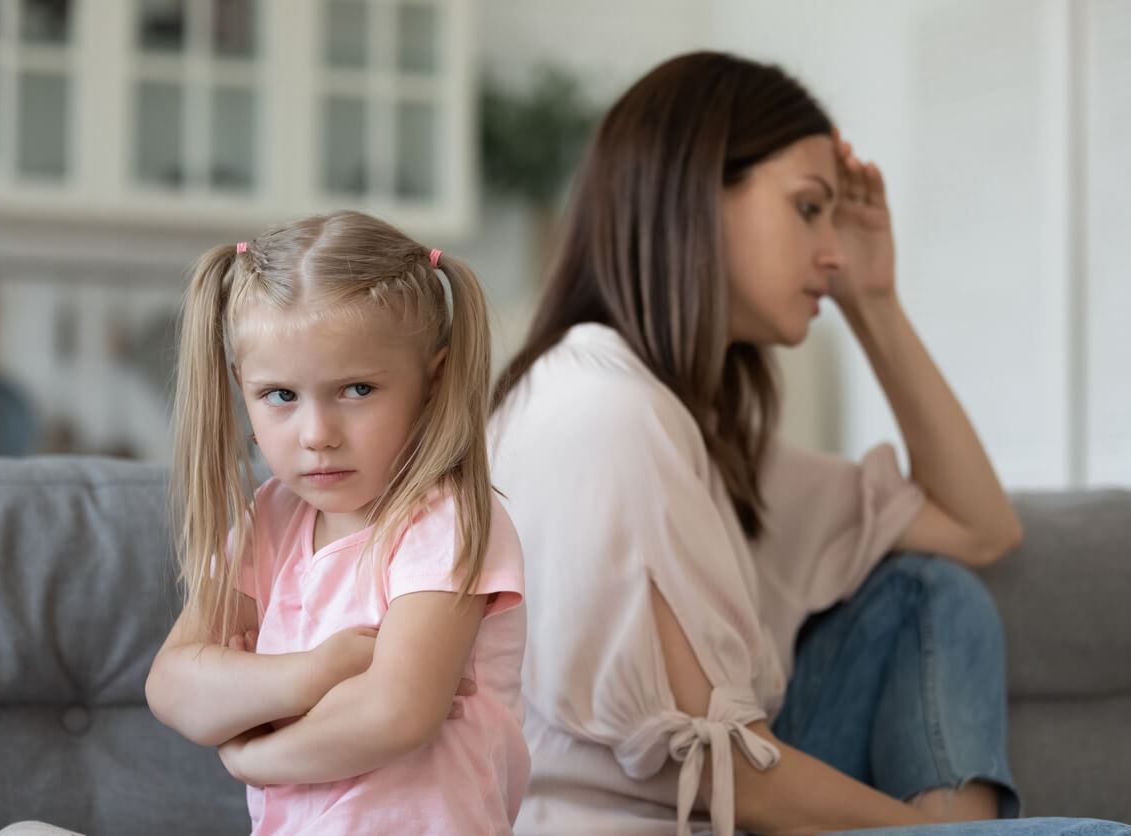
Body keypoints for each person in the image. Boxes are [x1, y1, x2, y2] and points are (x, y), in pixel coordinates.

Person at [488, 52, 1129, 836]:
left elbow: (980, 528)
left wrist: (874, 300)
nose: (832, 250)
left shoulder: (694, 432)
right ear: (696, 193)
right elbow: (727, 775)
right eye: (807, 208)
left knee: (930, 593)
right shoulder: (599, 409)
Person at [145, 211, 530, 835]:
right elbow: (172, 685)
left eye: (356, 390)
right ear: (242, 388)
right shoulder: (269, 518)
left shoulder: (445, 521)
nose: (318, 435)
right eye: (281, 396)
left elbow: (396, 712)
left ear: (431, 384)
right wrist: (315, 673)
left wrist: (257, 755)